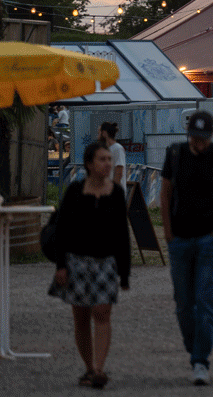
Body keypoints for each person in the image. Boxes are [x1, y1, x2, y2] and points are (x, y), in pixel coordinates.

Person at [50, 140, 131, 390]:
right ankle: (87, 367)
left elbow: (121, 233)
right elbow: (61, 230)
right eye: (102, 160)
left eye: (109, 159)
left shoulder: (116, 192)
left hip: (105, 262)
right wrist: (60, 265)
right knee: (81, 317)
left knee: (102, 312)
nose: (108, 164)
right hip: (76, 261)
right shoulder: (75, 190)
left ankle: (99, 369)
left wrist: (125, 272)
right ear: (89, 164)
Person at [160, 110, 213, 386]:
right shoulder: (176, 154)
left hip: (209, 240)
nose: (197, 143)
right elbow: (165, 193)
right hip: (179, 239)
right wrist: (167, 232)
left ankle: (200, 360)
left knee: (206, 301)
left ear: (211, 135)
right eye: (193, 137)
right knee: (182, 304)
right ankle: (195, 347)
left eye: (201, 138)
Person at [97, 122, 125, 187]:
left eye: (99, 133)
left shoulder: (117, 148)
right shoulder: (106, 149)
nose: (98, 137)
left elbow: (119, 172)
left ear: (104, 133)